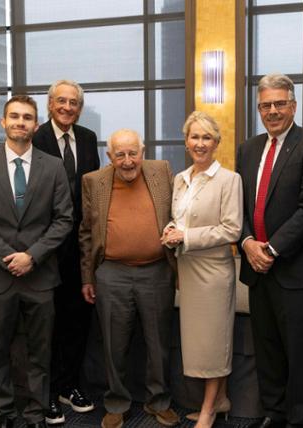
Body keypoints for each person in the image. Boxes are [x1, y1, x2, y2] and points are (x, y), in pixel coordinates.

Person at [0, 95, 73, 428]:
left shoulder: (53, 167)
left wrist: (32, 256)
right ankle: (3, 412)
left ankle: (35, 412)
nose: (20, 122)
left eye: (27, 117)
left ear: (36, 125)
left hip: (39, 276)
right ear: (3, 122)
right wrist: (7, 258)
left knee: (39, 352)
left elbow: (64, 220)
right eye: (14, 116)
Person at [235, 73, 303, 428]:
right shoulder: (248, 148)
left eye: (279, 104)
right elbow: (238, 207)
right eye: (266, 105)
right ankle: (273, 414)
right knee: (268, 350)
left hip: (296, 270)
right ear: (258, 108)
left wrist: (270, 250)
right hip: (256, 269)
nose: (272, 111)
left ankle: (298, 421)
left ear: (293, 105)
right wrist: (246, 243)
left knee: (299, 354)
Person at [79, 129, 179, 428]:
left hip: (157, 270)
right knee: (114, 343)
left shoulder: (161, 171)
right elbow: (86, 232)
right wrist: (87, 276)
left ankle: (158, 401)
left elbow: (179, 213)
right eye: (119, 154)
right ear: (109, 156)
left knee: (159, 342)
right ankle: (117, 402)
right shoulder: (93, 181)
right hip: (111, 272)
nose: (127, 161)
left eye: (132, 153)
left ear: (142, 151)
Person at [161, 111, 242, 428]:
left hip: (213, 274)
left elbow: (231, 230)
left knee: (214, 343)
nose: (200, 143)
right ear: (186, 141)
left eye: (207, 137)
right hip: (188, 270)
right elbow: (180, 220)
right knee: (200, 343)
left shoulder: (229, 180)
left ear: (217, 143)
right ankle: (220, 400)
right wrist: (171, 230)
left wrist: (186, 236)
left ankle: (208, 410)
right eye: (194, 137)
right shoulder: (180, 179)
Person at [32, 79, 100, 424]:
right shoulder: (35, 138)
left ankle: (69, 384)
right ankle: (46, 394)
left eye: (74, 102)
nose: (68, 107)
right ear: (50, 104)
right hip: (44, 248)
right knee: (48, 324)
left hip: (80, 248)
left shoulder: (87, 139)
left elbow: (93, 192)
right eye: (62, 101)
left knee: (77, 320)